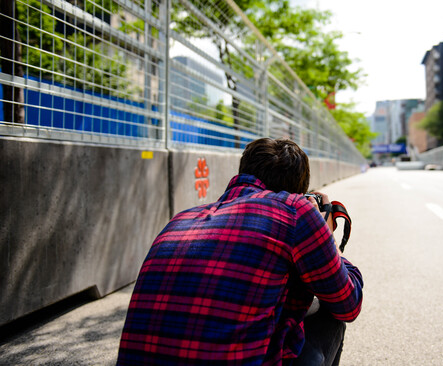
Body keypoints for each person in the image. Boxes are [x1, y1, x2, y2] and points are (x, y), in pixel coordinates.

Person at [116, 138, 363, 365]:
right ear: (298, 190)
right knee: (331, 314)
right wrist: (325, 237)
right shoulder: (295, 209)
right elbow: (347, 303)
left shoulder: (181, 218)